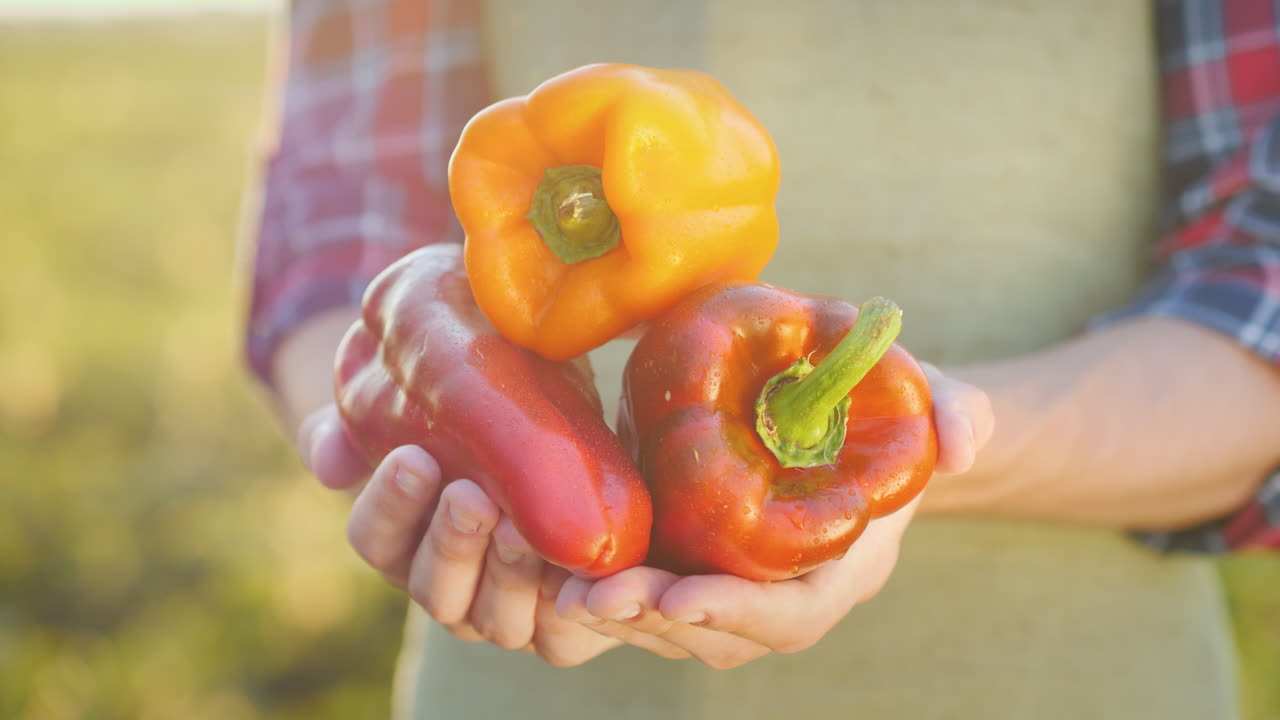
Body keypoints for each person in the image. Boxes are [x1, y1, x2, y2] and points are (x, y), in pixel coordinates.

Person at [242, 1, 1280, 717]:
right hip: (522, 660)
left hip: (1064, 683)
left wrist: (929, 452)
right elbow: (346, 220)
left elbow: (1262, 296)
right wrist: (412, 439)